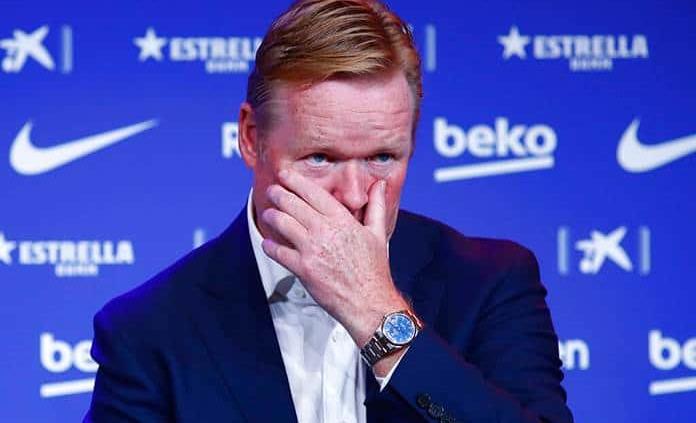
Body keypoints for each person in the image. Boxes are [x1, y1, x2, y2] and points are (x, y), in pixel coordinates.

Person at [85, 0, 573, 422]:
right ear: (252, 139)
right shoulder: (149, 330)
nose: (355, 195)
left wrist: (378, 313)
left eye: (383, 157)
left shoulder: (490, 283)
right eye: (321, 158)